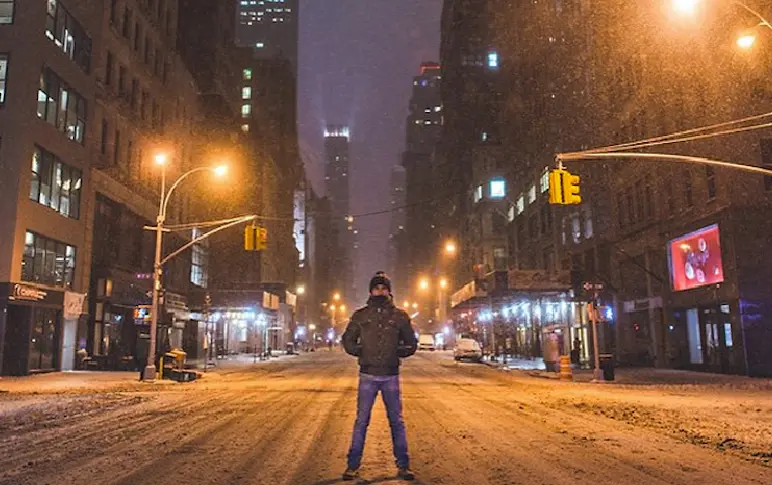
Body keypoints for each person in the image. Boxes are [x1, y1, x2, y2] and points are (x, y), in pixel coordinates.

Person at [341, 272, 418, 481]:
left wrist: (396, 352)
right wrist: (361, 352)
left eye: (384, 288)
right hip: (368, 374)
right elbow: (347, 340)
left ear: (389, 290)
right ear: (371, 290)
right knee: (361, 421)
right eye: (377, 288)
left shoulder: (400, 316)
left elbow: (411, 343)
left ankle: (403, 466)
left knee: (396, 422)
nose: (380, 291)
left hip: (390, 376)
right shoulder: (361, 315)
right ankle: (352, 465)